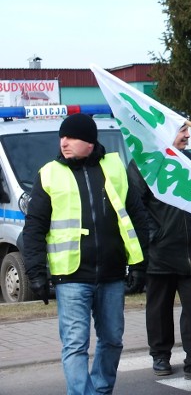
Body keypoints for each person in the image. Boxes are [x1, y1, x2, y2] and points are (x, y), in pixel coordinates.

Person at [22, 113, 149, 395]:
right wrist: (36, 273)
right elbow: (34, 229)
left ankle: (101, 390)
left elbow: (136, 216)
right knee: (75, 344)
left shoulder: (114, 168)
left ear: (89, 142)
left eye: (72, 137)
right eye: (62, 136)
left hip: (112, 274)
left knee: (113, 340)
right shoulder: (49, 174)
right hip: (71, 277)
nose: (63, 142)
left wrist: (140, 264)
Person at [128, 124, 191, 383]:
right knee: (158, 307)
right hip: (160, 250)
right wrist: (153, 236)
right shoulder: (144, 164)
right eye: (181, 131)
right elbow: (135, 205)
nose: (187, 135)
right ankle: (160, 355)